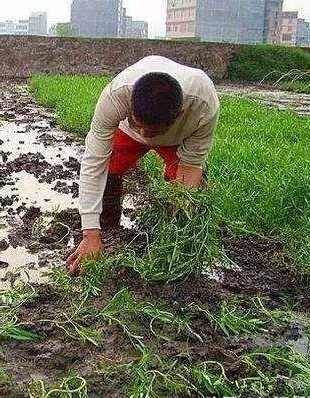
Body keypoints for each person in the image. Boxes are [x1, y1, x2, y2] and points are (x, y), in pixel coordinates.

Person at [66, 56, 220, 274]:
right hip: (126, 133)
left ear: (181, 113)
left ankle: (169, 235)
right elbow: (94, 163)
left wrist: (178, 234)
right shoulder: (116, 96)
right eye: (141, 127)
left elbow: (191, 166)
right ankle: (108, 225)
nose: (145, 136)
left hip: (176, 139)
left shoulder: (203, 105)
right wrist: (90, 234)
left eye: (153, 132)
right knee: (110, 167)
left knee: (189, 192)